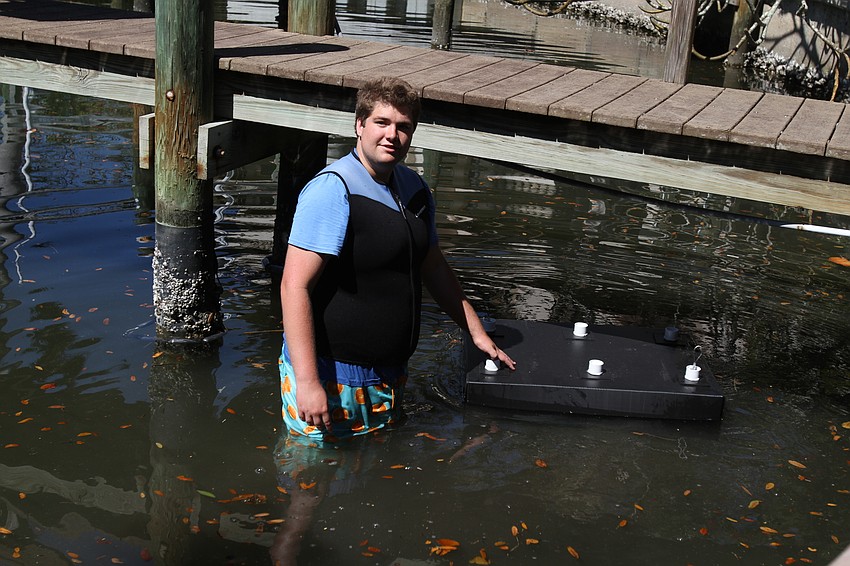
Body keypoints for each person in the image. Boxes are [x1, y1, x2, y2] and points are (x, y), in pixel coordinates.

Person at [278, 76, 515, 447]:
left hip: (389, 374)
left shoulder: (414, 189)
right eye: (381, 122)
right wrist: (308, 383)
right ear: (359, 125)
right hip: (331, 374)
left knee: (374, 466)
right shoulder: (333, 190)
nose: (392, 135)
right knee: (314, 470)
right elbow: (294, 286)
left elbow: (432, 265)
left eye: (403, 126)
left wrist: (475, 330)